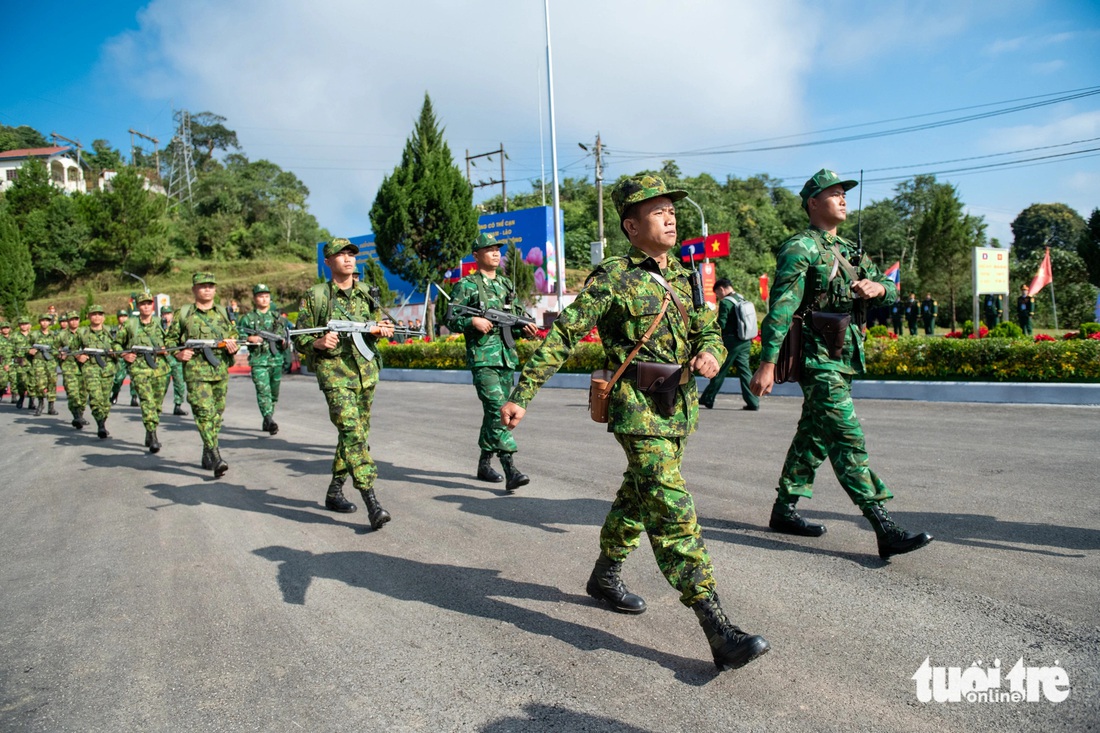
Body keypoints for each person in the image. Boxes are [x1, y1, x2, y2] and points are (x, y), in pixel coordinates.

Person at [501, 174, 770, 673]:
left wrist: (711, 354)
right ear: (631, 225)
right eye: (657, 211)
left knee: (637, 496)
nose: (670, 218)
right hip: (636, 409)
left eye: (672, 210)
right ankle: (716, 625)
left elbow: (708, 332)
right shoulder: (613, 276)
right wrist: (523, 394)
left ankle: (604, 576)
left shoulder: (687, 277)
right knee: (671, 507)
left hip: (677, 408)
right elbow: (565, 335)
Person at [749, 168, 933, 560]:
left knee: (813, 435)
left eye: (844, 194)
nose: (843, 199)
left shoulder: (850, 250)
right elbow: (781, 307)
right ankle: (883, 524)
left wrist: (878, 287)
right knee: (846, 437)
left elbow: (892, 288)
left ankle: (784, 511)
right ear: (813, 203)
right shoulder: (800, 247)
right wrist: (767, 363)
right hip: (817, 360)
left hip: (843, 356)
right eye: (833, 194)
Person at [292, 238, 394, 528]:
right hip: (335, 375)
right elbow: (299, 337)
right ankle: (371, 500)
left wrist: (380, 330)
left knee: (355, 435)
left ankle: (335, 491)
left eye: (351, 254)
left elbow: (373, 326)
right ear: (328, 262)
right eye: (341, 254)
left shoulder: (365, 293)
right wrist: (319, 342)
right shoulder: (316, 296)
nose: (348, 259)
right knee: (352, 433)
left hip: (365, 374)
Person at [446, 232, 540, 491]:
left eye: (498, 249)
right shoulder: (467, 285)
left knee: (493, 413)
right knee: (499, 408)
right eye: (489, 250)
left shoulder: (506, 285)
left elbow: (517, 316)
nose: (496, 253)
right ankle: (510, 467)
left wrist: (526, 326)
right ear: (476, 255)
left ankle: (484, 464)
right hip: (483, 359)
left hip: (506, 358)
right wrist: (471, 321)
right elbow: (450, 317)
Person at [165, 273, 240, 477]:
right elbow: (170, 340)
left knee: (216, 415)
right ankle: (216, 456)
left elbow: (234, 335)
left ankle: (207, 451)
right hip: (196, 372)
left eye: (210, 286)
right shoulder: (184, 313)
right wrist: (179, 353)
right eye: (202, 286)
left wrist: (233, 345)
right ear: (194, 290)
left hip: (219, 371)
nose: (207, 289)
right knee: (204, 413)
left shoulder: (224, 313)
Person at [116, 291, 172, 453]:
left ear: (153, 306)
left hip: (160, 368)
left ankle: (150, 430)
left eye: (148, 303)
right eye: (143, 304)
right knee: (147, 401)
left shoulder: (161, 323)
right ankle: (153, 435)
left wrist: (166, 349)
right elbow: (117, 344)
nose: (146, 306)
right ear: (138, 306)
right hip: (139, 368)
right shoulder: (130, 324)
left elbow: (172, 341)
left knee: (157, 404)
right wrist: (125, 354)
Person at [699, 278, 760, 412]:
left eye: (717, 293)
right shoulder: (741, 298)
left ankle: (708, 398)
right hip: (745, 341)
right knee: (745, 371)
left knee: (720, 369)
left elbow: (721, 324)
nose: (718, 296)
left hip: (731, 342)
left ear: (721, 289)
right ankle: (753, 401)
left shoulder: (726, 302)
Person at [238, 283, 286, 434]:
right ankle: (268, 418)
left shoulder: (277, 317)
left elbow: (285, 335)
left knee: (273, 392)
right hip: (259, 360)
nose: (264, 299)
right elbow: (239, 335)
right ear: (255, 299)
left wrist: (284, 341)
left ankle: (268, 417)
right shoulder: (248, 318)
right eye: (261, 296)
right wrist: (250, 338)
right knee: (263, 391)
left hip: (276, 359)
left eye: (266, 296)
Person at [74, 305, 119, 439]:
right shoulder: (82, 333)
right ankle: (100, 425)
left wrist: (115, 352)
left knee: (105, 400)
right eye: (94, 314)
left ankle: (102, 420)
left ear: (104, 317)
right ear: (88, 317)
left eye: (99, 314)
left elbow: (120, 346)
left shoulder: (111, 332)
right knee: (95, 397)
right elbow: (72, 348)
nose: (97, 317)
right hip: (90, 368)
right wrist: (78, 356)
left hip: (107, 368)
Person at [56, 311, 89, 429]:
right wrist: (60, 355)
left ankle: (80, 414)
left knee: (83, 394)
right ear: (68, 321)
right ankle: (76, 416)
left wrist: (85, 356)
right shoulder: (62, 335)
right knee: (72, 392)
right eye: (71, 319)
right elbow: (54, 350)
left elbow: (92, 347)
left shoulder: (85, 332)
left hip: (83, 367)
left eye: (76, 319)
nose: (74, 321)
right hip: (68, 367)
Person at [27, 313, 60, 416]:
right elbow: (27, 347)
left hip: (50, 362)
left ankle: (51, 406)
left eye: (47, 321)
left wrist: (56, 352)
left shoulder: (55, 335)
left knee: (52, 383)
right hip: (38, 362)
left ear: (50, 322)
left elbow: (59, 348)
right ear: (39, 322)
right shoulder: (34, 335)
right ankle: (41, 403)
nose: (44, 323)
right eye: (42, 320)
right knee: (39, 384)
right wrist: (30, 351)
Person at [160, 306, 188, 416]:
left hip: (176, 359)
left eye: (168, 313)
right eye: (164, 314)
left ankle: (178, 405)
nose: (166, 316)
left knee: (179, 383)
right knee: (162, 384)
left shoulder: (177, 326)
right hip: (164, 360)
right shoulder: (158, 327)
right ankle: (157, 405)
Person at [10, 317, 34, 409]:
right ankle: (21, 397)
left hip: (32, 362)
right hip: (20, 362)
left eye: (26, 323)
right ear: (19, 325)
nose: (24, 326)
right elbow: (10, 349)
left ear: (29, 325)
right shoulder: (14, 336)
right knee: (21, 383)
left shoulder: (33, 335)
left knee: (32, 382)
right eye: (22, 324)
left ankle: (31, 401)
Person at [0, 321, 13, 399]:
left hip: (13, 361)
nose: (5, 330)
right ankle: (1, 391)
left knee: (14, 380)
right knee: (2, 381)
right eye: (3, 328)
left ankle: (15, 397)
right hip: (2, 361)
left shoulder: (14, 338)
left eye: (7, 328)